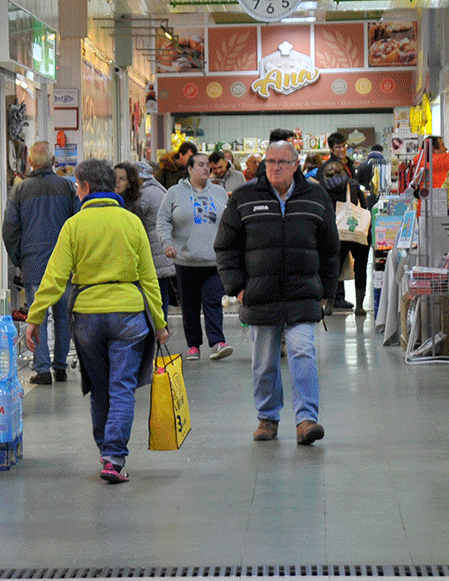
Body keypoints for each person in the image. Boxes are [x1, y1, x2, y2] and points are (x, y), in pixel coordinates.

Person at [25, 159, 169, 483]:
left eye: (76, 186)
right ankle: (115, 458)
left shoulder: (74, 225)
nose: (76, 192)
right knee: (123, 387)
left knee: (100, 388)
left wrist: (35, 317)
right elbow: (149, 277)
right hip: (129, 315)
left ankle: (106, 452)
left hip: (87, 316)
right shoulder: (131, 222)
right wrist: (159, 323)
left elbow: (55, 277)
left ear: (85, 188)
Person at [214, 141, 339, 445]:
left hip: (303, 293)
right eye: (270, 161)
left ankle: (306, 419)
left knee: (303, 351)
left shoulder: (316, 196)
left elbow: (331, 248)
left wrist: (326, 292)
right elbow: (225, 246)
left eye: (283, 162)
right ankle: (267, 418)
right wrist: (238, 289)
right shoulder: (244, 196)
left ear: (297, 164)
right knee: (264, 360)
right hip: (260, 294)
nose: (275, 167)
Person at [2, 141, 79, 385]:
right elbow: (77, 222)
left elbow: (10, 229)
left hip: (34, 264)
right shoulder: (67, 187)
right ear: (53, 161)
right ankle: (61, 366)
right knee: (63, 317)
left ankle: (42, 369)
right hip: (64, 263)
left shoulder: (20, 190)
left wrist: (19, 258)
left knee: (38, 315)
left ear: (30, 163)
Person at [157, 152, 233, 361]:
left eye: (207, 165)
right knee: (189, 306)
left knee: (212, 301)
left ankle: (217, 342)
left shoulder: (218, 191)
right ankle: (193, 346)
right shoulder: (174, 193)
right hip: (186, 261)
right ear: (189, 169)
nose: (206, 168)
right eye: (200, 165)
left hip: (213, 259)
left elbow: (228, 221)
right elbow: (162, 220)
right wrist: (168, 243)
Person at [118, 161, 176, 320]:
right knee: (160, 291)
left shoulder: (145, 195)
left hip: (153, 250)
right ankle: (162, 324)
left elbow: (134, 221)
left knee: (155, 293)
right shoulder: (158, 189)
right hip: (161, 248)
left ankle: (158, 325)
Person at [319, 160, 372, 315]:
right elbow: (364, 206)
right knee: (361, 266)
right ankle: (360, 307)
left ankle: (328, 305)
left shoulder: (322, 189)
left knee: (334, 268)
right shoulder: (353, 185)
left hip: (336, 234)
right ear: (342, 172)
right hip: (357, 232)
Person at [316, 133, 359, 311]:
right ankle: (335, 297)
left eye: (343, 146)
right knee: (336, 258)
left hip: (342, 216)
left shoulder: (348, 164)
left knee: (341, 258)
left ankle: (338, 297)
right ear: (331, 149)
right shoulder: (327, 167)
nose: (342, 149)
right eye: (338, 147)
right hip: (334, 216)